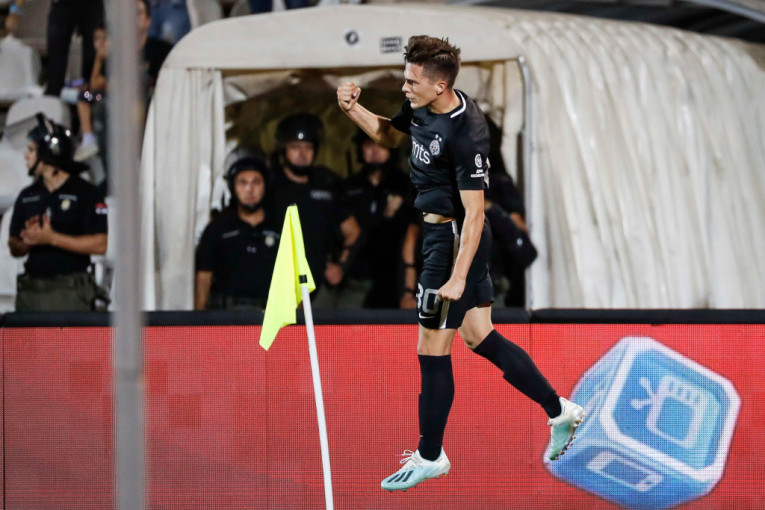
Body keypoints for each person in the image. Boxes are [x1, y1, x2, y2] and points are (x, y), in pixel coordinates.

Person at [337, 35, 584, 491]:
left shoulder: (467, 131)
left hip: (454, 240)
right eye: (405, 79)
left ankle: (430, 455)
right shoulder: (421, 105)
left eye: (411, 81)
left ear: (440, 85)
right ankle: (559, 411)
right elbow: (389, 134)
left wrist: (457, 276)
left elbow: (475, 214)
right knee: (479, 336)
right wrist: (353, 110)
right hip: (440, 236)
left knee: (430, 348)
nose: (404, 87)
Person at [8, 114, 108, 311]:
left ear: (49, 152)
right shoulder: (27, 195)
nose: (26, 156)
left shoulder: (86, 192)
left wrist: (52, 238)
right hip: (31, 293)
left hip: (71, 292)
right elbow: (14, 246)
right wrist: (28, 240)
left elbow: (100, 244)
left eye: (31, 150)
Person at [268, 113, 360, 300]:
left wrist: (341, 266)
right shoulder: (270, 186)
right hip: (276, 282)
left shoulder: (326, 184)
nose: (302, 154)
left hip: (317, 284)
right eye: (295, 147)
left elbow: (353, 231)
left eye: (308, 147)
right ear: (283, 150)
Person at [339, 130, 415, 308]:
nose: (375, 150)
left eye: (381, 145)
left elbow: (412, 236)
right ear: (360, 149)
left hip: (393, 279)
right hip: (354, 278)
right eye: (369, 145)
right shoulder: (348, 186)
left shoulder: (405, 186)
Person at [194, 153, 279, 311]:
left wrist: (298, 319)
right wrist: (199, 318)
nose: (250, 189)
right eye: (242, 183)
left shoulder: (280, 227)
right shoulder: (217, 229)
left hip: (271, 315)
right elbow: (204, 275)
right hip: (226, 315)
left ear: (265, 185)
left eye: (256, 182)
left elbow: (294, 277)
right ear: (233, 187)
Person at [44, 0, 106, 98]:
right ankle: (52, 97)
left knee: (92, 54)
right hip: (62, 4)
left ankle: (91, 99)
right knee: (56, 67)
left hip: (91, 4)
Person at [74, 22, 109, 163]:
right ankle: (87, 137)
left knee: (85, 96)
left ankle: (89, 139)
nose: (100, 43)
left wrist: (99, 59)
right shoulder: (96, 59)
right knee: (83, 95)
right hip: (101, 96)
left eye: (104, 39)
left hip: (113, 98)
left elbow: (96, 84)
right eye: (97, 39)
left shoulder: (115, 61)